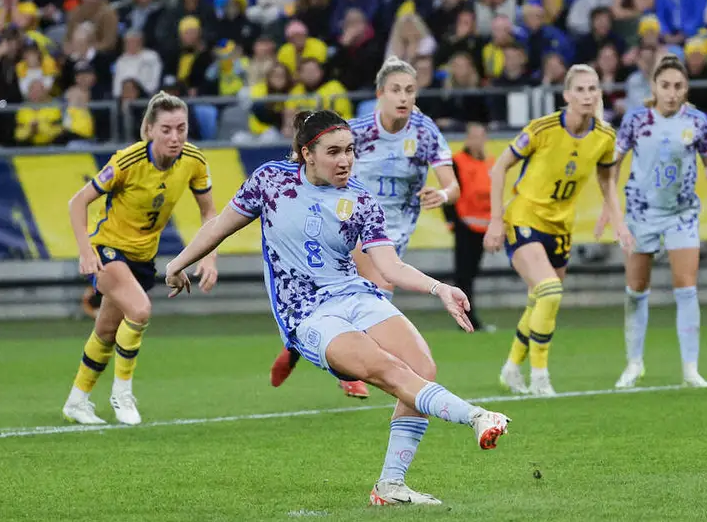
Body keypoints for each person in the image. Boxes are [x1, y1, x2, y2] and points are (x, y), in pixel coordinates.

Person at [165, 110, 510, 506]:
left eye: (349, 150)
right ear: (306, 153)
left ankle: (390, 487)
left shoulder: (360, 199)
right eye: (333, 152)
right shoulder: (271, 181)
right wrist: (177, 265)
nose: (345, 160)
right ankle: (476, 416)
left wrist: (440, 289)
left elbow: (389, 265)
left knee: (422, 367)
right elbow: (219, 226)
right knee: (388, 371)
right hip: (308, 312)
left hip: (355, 296)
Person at [269, 57, 460, 399]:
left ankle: (300, 347)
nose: (403, 97)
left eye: (410, 91)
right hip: (352, 224)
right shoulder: (356, 131)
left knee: (375, 295)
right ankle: (349, 369)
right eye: (395, 90)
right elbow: (311, 156)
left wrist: (442, 194)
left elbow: (452, 185)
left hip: (395, 232)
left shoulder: (425, 132)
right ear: (380, 94)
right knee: (375, 286)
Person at [62, 92, 219, 425]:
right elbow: (78, 202)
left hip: (143, 257)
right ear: (148, 129)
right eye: (166, 129)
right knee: (140, 310)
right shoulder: (126, 162)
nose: (175, 137)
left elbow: (210, 214)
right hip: (108, 249)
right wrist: (85, 250)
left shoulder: (194, 160)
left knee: (106, 330)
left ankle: (76, 401)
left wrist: (210, 258)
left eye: (181, 128)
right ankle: (122, 395)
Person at [483, 65, 632, 396]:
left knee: (541, 299)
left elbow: (607, 179)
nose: (587, 95)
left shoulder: (605, 137)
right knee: (549, 290)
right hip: (524, 217)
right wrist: (496, 219)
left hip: (561, 227)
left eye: (593, 89)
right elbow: (499, 167)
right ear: (566, 95)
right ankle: (539, 376)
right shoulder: (543, 128)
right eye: (580, 89)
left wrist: (617, 219)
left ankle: (511, 368)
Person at [603, 55, 707, 390]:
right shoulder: (635, 120)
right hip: (641, 213)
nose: (672, 93)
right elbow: (612, 165)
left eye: (678, 86)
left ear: (686, 89)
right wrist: (611, 206)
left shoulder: (698, 122)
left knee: (686, 288)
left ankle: (691, 369)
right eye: (665, 86)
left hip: (681, 213)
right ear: (654, 88)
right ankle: (634, 363)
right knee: (636, 290)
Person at [444, 122, 494, 331]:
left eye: (481, 136)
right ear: (467, 138)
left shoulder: (490, 163)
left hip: (483, 226)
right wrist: (452, 221)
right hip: (464, 224)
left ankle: (469, 317)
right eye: (473, 136)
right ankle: (466, 319)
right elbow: (449, 191)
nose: (477, 141)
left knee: (472, 273)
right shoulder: (457, 161)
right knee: (463, 274)